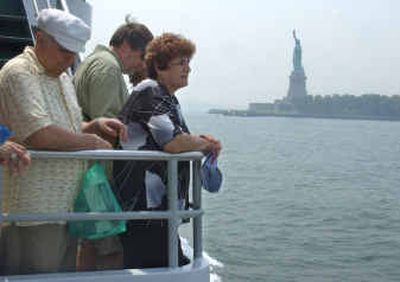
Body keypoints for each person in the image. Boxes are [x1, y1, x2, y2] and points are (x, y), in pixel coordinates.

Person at [0, 8, 126, 275]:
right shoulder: (20, 73)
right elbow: (39, 133)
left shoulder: (63, 77)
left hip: (66, 206)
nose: (69, 60)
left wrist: (92, 124)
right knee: (36, 273)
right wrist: (92, 141)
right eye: (64, 51)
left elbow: (64, 127)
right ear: (40, 39)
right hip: (34, 209)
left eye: (73, 53)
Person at [113, 33, 222, 268]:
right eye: (181, 63)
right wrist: (205, 144)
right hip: (144, 209)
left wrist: (201, 142)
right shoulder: (150, 91)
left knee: (170, 265)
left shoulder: (166, 97)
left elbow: (181, 139)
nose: (188, 69)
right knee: (161, 266)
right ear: (160, 67)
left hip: (157, 211)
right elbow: (172, 142)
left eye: (188, 63)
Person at [73, 21, 153, 270]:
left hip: (87, 171)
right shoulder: (108, 69)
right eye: (142, 57)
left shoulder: (93, 61)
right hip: (97, 176)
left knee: (89, 243)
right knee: (110, 251)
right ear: (127, 46)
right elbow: (106, 128)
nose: (140, 65)